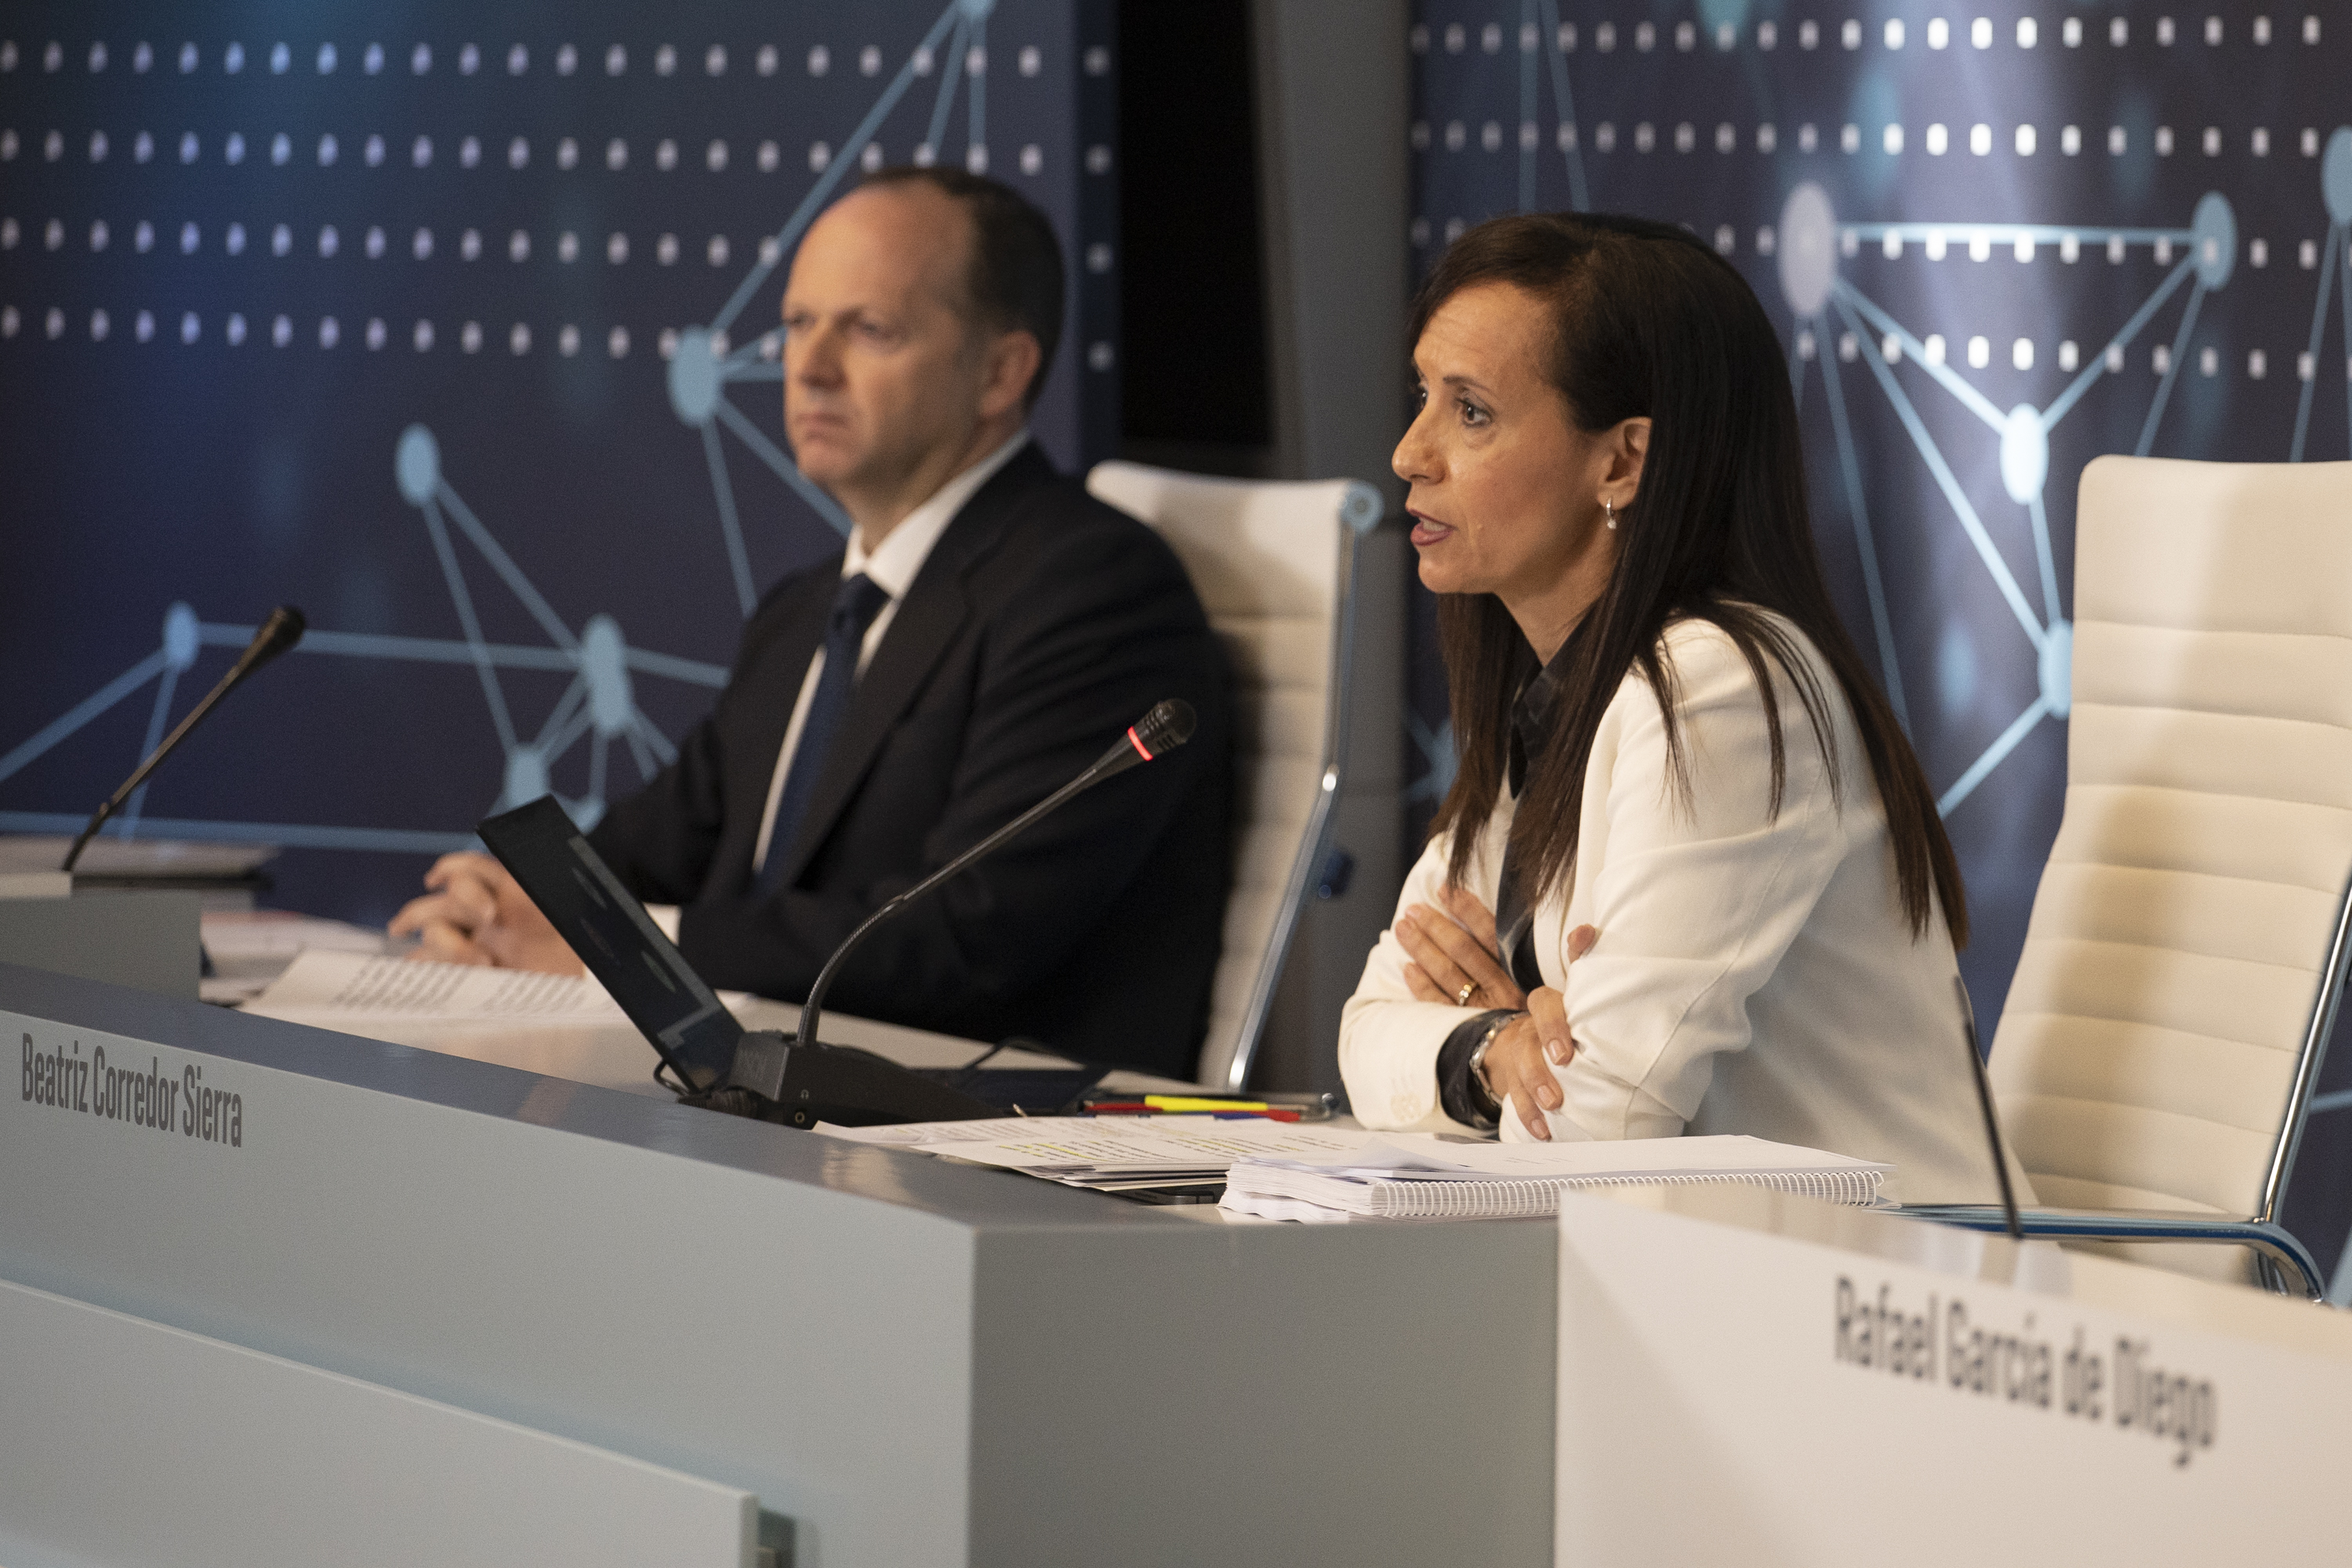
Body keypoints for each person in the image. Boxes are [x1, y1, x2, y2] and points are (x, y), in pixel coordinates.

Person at [391, 168, 1231, 1079]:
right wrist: (525, 905)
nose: (810, 366)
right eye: (798, 324)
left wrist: (623, 948)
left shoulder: (1094, 588)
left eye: (869, 329)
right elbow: (658, 842)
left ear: (1000, 371)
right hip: (770, 1113)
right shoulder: (804, 613)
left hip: (978, 1137)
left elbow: (965, 932)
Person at [1338, 212, 2023, 1203]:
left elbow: (1599, 1120)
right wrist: (1496, 1045)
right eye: (1423, 398)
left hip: (1896, 1305)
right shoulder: (1545, 693)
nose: (1410, 452)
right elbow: (1366, 1034)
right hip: (1700, 1276)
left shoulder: (1724, 688)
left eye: (1472, 411)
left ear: (1621, 462)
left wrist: (1522, 1056)